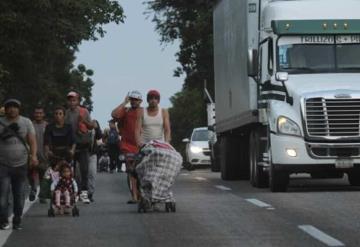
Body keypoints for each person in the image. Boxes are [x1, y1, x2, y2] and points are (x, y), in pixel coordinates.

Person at [0, 98, 38, 230]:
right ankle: (3, 220)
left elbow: (32, 141)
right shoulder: (0, 122)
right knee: (2, 197)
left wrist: (33, 156)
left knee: (19, 195)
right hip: (3, 164)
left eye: (14, 107)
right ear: (5, 109)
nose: (12, 109)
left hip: (21, 165)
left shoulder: (26, 122)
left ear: (19, 109)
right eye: (9, 107)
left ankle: (17, 221)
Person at [111, 90, 142, 203]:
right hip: (127, 145)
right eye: (132, 99)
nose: (134, 101)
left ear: (140, 101)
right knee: (131, 170)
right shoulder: (126, 111)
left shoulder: (143, 112)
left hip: (141, 145)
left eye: (136, 100)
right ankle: (134, 196)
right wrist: (124, 102)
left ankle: (142, 193)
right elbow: (114, 114)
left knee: (141, 170)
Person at [65, 91, 94, 204]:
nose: (72, 102)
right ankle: (73, 191)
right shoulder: (65, 113)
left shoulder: (84, 111)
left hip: (82, 144)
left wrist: (84, 121)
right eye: (70, 100)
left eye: (74, 100)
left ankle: (84, 192)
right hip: (70, 145)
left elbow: (91, 126)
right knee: (69, 170)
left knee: (84, 169)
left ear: (78, 101)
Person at [28, 106, 48, 202]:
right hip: (32, 154)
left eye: (40, 113)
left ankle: (42, 195)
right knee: (31, 174)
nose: (38, 115)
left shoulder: (47, 126)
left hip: (44, 155)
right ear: (34, 114)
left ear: (43, 114)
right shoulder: (30, 125)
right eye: (36, 113)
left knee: (43, 175)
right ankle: (33, 189)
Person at [88, 119, 102, 202]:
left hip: (92, 154)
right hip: (82, 153)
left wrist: (96, 128)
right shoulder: (84, 128)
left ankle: (90, 193)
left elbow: (99, 136)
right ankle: (82, 193)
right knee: (81, 175)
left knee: (92, 173)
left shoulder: (95, 130)